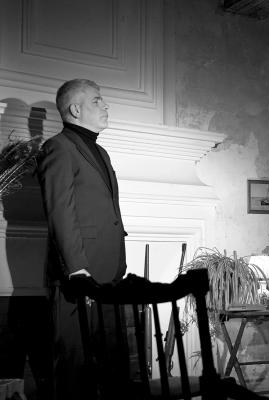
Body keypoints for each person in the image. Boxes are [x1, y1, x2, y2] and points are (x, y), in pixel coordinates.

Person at [37, 79, 128, 400]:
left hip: (110, 272)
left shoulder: (100, 151)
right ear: (75, 109)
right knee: (73, 363)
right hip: (78, 275)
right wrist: (77, 269)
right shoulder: (58, 147)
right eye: (97, 101)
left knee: (110, 362)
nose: (106, 106)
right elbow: (60, 212)